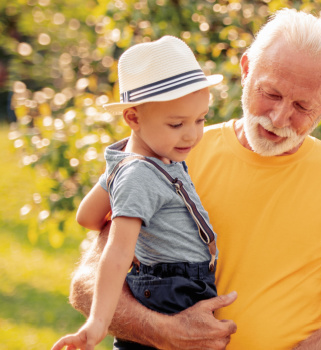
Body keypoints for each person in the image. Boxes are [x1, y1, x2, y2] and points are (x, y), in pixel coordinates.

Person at [68, 8, 321, 350]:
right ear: (246, 69)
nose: (280, 117)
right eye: (271, 93)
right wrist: (163, 331)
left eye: (303, 106)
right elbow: (88, 282)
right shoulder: (167, 152)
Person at [52, 36, 223, 350]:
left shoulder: (132, 162)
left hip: (170, 283)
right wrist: (98, 323)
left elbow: (87, 217)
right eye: (176, 124)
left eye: (201, 120)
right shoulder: (140, 174)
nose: (193, 134)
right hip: (175, 289)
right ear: (132, 118)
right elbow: (116, 254)